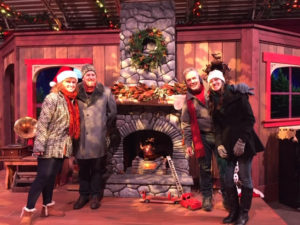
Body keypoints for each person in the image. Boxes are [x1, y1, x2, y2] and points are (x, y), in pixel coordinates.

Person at [181, 67, 253, 212]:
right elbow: (186, 123)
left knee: (224, 167)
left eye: (194, 78)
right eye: (188, 80)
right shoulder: (188, 100)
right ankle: (207, 197)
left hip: (221, 136)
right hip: (201, 138)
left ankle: (227, 198)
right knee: (204, 168)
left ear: (199, 79)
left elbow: (227, 90)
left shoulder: (211, 90)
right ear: (186, 83)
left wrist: (240, 87)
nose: (192, 81)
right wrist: (188, 143)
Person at [20, 67, 80, 225]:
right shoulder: (52, 98)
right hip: (48, 145)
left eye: (74, 82)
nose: (72, 84)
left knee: (52, 177)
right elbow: (43, 124)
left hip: (62, 146)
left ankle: (47, 207)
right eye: (68, 81)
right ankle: (28, 210)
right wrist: (39, 147)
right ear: (61, 83)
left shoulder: (71, 100)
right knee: (42, 178)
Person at [207, 69, 264, 225]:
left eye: (216, 80)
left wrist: (242, 141)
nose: (214, 83)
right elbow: (217, 127)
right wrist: (218, 145)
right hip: (226, 144)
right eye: (211, 81)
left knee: (245, 178)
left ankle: (243, 214)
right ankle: (234, 211)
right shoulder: (212, 101)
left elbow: (249, 119)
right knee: (226, 179)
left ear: (222, 80)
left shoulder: (238, 95)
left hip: (244, 141)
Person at [73, 64, 117, 210]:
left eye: (93, 74)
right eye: (87, 75)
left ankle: (95, 196)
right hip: (80, 138)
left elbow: (112, 114)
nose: (90, 77)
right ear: (83, 77)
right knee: (83, 169)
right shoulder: (75, 92)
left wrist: (103, 128)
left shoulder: (105, 92)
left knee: (97, 169)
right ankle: (83, 195)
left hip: (98, 136)